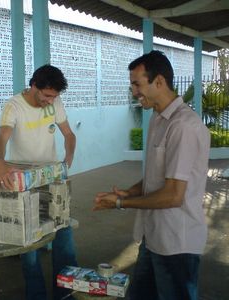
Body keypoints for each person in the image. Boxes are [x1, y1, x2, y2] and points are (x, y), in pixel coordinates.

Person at [93, 51, 210, 300]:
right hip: (153, 236)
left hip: (177, 243)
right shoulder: (158, 119)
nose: (134, 91)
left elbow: (173, 195)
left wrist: (120, 203)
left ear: (159, 81)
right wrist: (131, 191)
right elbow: (157, 176)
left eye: (137, 84)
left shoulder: (184, 126)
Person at [0, 64, 78, 300]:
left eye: (55, 97)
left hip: (52, 179)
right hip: (24, 182)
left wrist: (68, 155)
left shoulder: (55, 102)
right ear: (34, 87)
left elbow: (69, 134)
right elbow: (1, 136)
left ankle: (66, 292)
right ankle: (37, 294)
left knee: (63, 235)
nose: (51, 101)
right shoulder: (14, 106)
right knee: (28, 246)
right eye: (47, 95)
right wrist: (0, 161)